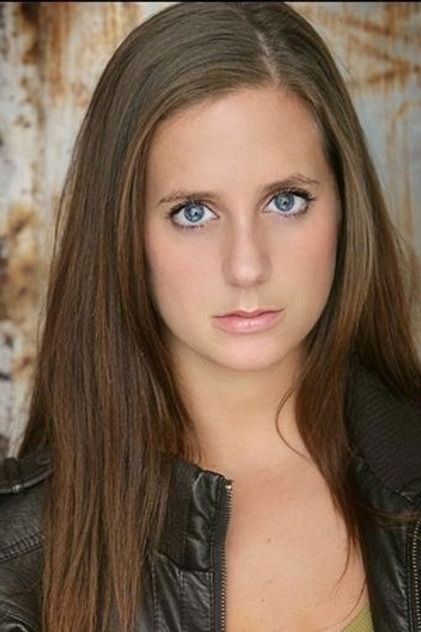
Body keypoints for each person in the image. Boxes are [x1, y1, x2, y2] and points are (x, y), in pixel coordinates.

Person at [0, 2, 420, 631]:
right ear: (124, 234)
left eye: (286, 201)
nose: (247, 266)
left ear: (344, 205)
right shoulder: (16, 561)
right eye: (193, 212)